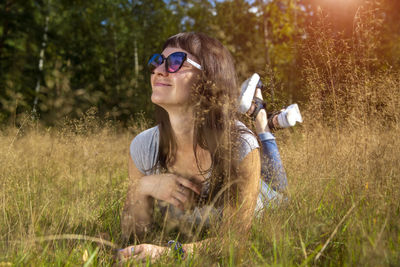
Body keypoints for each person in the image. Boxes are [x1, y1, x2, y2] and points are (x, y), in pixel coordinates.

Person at [118, 32, 288, 261]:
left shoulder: (240, 145)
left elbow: (235, 241)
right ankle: (261, 115)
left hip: (269, 197)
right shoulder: (143, 147)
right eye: (158, 61)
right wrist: (143, 186)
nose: (159, 69)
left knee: (279, 186)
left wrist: (168, 253)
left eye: (176, 62)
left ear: (208, 79)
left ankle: (262, 120)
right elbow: (135, 233)